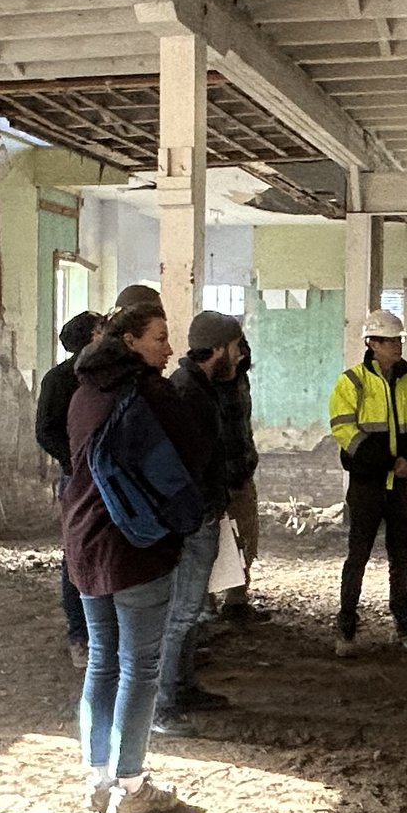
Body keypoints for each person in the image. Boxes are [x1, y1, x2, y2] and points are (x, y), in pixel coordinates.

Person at [62, 300, 209, 813]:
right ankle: (131, 785)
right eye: (159, 338)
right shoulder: (150, 393)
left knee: (102, 660)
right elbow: (192, 457)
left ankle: (98, 780)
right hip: (135, 545)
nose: (169, 349)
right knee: (140, 667)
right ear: (129, 342)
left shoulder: (82, 391)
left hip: (83, 539)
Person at [155, 311, 248, 734]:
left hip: (202, 512)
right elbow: (187, 462)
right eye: (236, 346)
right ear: (219, 348)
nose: (240, 354)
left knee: (190, 612)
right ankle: (162, 705)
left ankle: (183, 686)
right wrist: (202, 508)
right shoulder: (188, 393)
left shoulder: (199, 387)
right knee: (180, 613)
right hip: (194, 518)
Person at [329, 309, 407, 657]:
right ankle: (346, 628)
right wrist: (392, 463)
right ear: (372, 344)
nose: (396, 346)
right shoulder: (352, 382)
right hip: (367, 485)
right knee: (357, 556)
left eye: (398, 340)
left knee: (400, 558)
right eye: (389, 341)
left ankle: (404, 625)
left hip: (401, 486)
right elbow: (344, 430)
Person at [35, 310, 103, 667]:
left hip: (104, 475)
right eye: (101, 330)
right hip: (76, 477)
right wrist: (74, 461)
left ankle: (102, 633)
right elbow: (45, 431)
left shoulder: (105, 375)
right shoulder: (59, 380)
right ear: (90, 338)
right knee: (76, 553)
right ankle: (79, 634)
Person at [210, 332, 267, 624]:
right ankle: (204, 605)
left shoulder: (240, 381)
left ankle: (236, 599)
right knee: (209, 542)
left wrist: (248, 458)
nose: (241, 354)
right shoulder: (202, 386)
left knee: (245, 537)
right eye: (236, 349)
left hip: (241, 473)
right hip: (214, 479)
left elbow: (243, 427)